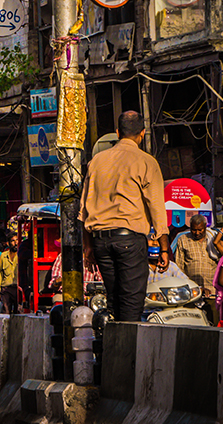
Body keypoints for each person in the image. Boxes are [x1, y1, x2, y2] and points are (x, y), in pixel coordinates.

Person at [80, 111, 170, 322]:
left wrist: (88, 246)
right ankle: (126, 354)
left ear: (118, 133)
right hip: (129, 240)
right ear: (142, 134)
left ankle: (111, 352)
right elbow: (156, 208)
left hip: (101, 242)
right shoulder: (146, 161)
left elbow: (83, 211)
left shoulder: (97, 161)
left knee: (113, 302)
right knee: (130, 305)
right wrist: (164, 247)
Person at [173, 214, 220, 324]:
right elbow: (179, 267)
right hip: (191, 292)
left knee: (213, 322)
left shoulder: (213, 239)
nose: (197, 233)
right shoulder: (183, 240)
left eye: (200, 230)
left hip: (212, 291)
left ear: (205, 227)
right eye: (194, 230)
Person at [0, 235, 19, 314]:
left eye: (17, 240)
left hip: (18, 289)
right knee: (6, 312)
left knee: (18, 312)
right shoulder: (3, 255)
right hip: (6, 289)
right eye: (13, 241)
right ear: (8, 243)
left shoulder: (21, 255)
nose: (16, 243)